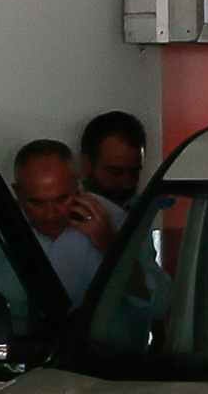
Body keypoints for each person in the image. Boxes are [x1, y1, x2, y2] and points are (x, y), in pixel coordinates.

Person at [11, 140, 112, 301]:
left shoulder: (114, 218)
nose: (50, 215)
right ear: (17, 193)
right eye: (36, 203)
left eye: (61, 200)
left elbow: (151, 304)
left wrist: (112, 248)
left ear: (77, 184)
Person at [80, 110, 148, 227]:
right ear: (86, 164)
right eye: (115, 172)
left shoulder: (145, 209)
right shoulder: (59, 219)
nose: (127, 185)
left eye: (134, 173)